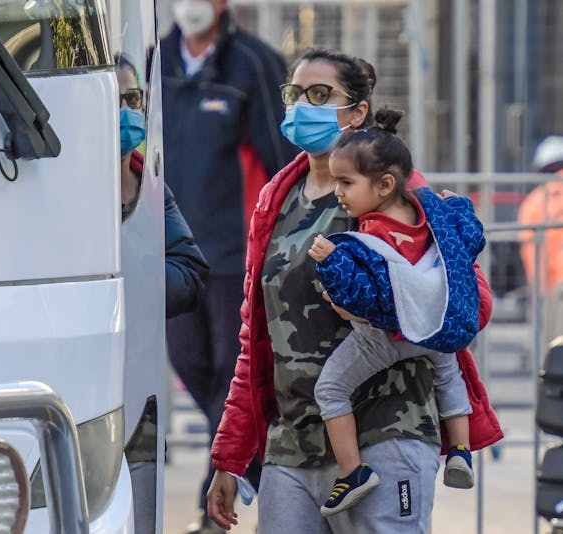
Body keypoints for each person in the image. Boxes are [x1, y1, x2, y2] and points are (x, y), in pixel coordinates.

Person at [205, 48, 503, 534]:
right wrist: (230, 456)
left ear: (358, 111)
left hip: (386, 432)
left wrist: (374, 298)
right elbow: (256, 341)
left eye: (320, 94)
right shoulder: (275, 201)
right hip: (292, 447)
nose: (303, 105)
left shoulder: (393, 193)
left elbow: (469, 304)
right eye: (294, 94)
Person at [161, 1, 297, 530]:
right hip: (173, 252)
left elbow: (282, 159)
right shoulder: (160, 60)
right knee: (192, 361)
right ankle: (257, 468)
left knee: (232, 374)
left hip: (234, 253)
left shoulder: (254, 63)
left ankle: (214, 503)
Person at [308, 109, 485, 517]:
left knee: (331, 389)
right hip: (435, 327)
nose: (338, 192)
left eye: (346, 183)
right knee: (450, 374)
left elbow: (367, 296)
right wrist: (456, 205)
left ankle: (353, 472)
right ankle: (459, 450)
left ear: (384, 184)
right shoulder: (430, 215)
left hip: (385, 339)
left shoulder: (372, 233)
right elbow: (470, 239)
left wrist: (332, 258)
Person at [116, 57, 210, 534]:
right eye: (112, 100)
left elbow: (191, 274)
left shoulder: (151, 187)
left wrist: (126, 282)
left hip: (140, 409)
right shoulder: (53, 191)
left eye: (132, 99)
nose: (125, 111)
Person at [518, 136, 563, 341]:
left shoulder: (536, 200)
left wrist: (536, 289)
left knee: (553, 346)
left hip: (554, 284)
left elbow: (532, 253)